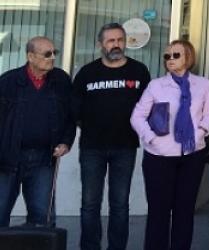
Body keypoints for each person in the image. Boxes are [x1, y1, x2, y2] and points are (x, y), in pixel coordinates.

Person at [0, 36, 76, 230]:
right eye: (47, 54)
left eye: (55, 53)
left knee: (42, 219)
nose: (52, 58)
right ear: (31, 56)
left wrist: (66, 141)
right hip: (7, 159)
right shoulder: (7, 82)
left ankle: (38, 243)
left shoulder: (61, 81)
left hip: (44, 159)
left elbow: (70, 116)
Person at [71, 23, 152, 250]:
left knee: (120, 204)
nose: (116, 45)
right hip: (92, 147)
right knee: (90, 203)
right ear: (100, 44)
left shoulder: (139, 71)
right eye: (111, 40)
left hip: (125, 147)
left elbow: (148, 106)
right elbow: (75, 108)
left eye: (120, 40)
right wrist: (91, 126)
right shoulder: (87, 73)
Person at [130, 39, 209, 250]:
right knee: (158, 211)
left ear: (188, 57)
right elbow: (137, 116)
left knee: (184, 211)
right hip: (159, 157)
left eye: (176, 55)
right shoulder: (156, 85)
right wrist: (152, 139)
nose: (170, 59)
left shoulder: (202, 84)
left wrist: (199, 134)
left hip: (192, 155)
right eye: (167, 56)